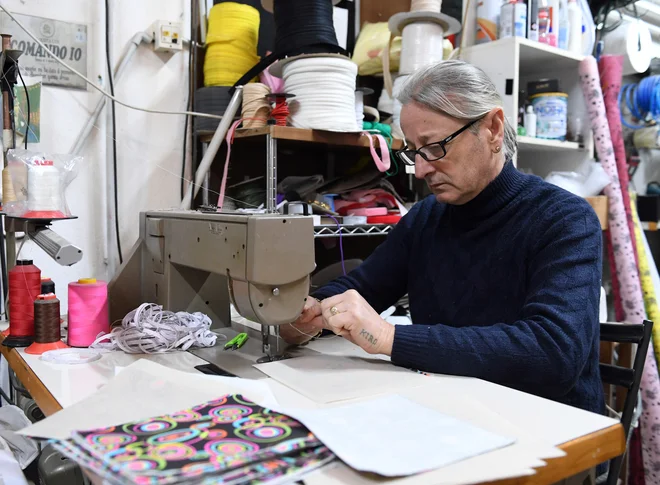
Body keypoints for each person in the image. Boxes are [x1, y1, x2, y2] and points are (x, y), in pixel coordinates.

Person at [280, 60, 604, 415]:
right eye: (414, 152)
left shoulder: (564, 219)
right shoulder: (426, 218)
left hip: (550, 424)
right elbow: (361, 288)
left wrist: (389, 338)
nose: (421, 170)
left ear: (492, 129)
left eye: (435, 147)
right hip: (453, 408)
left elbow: (553, 355)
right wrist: (305, 317)